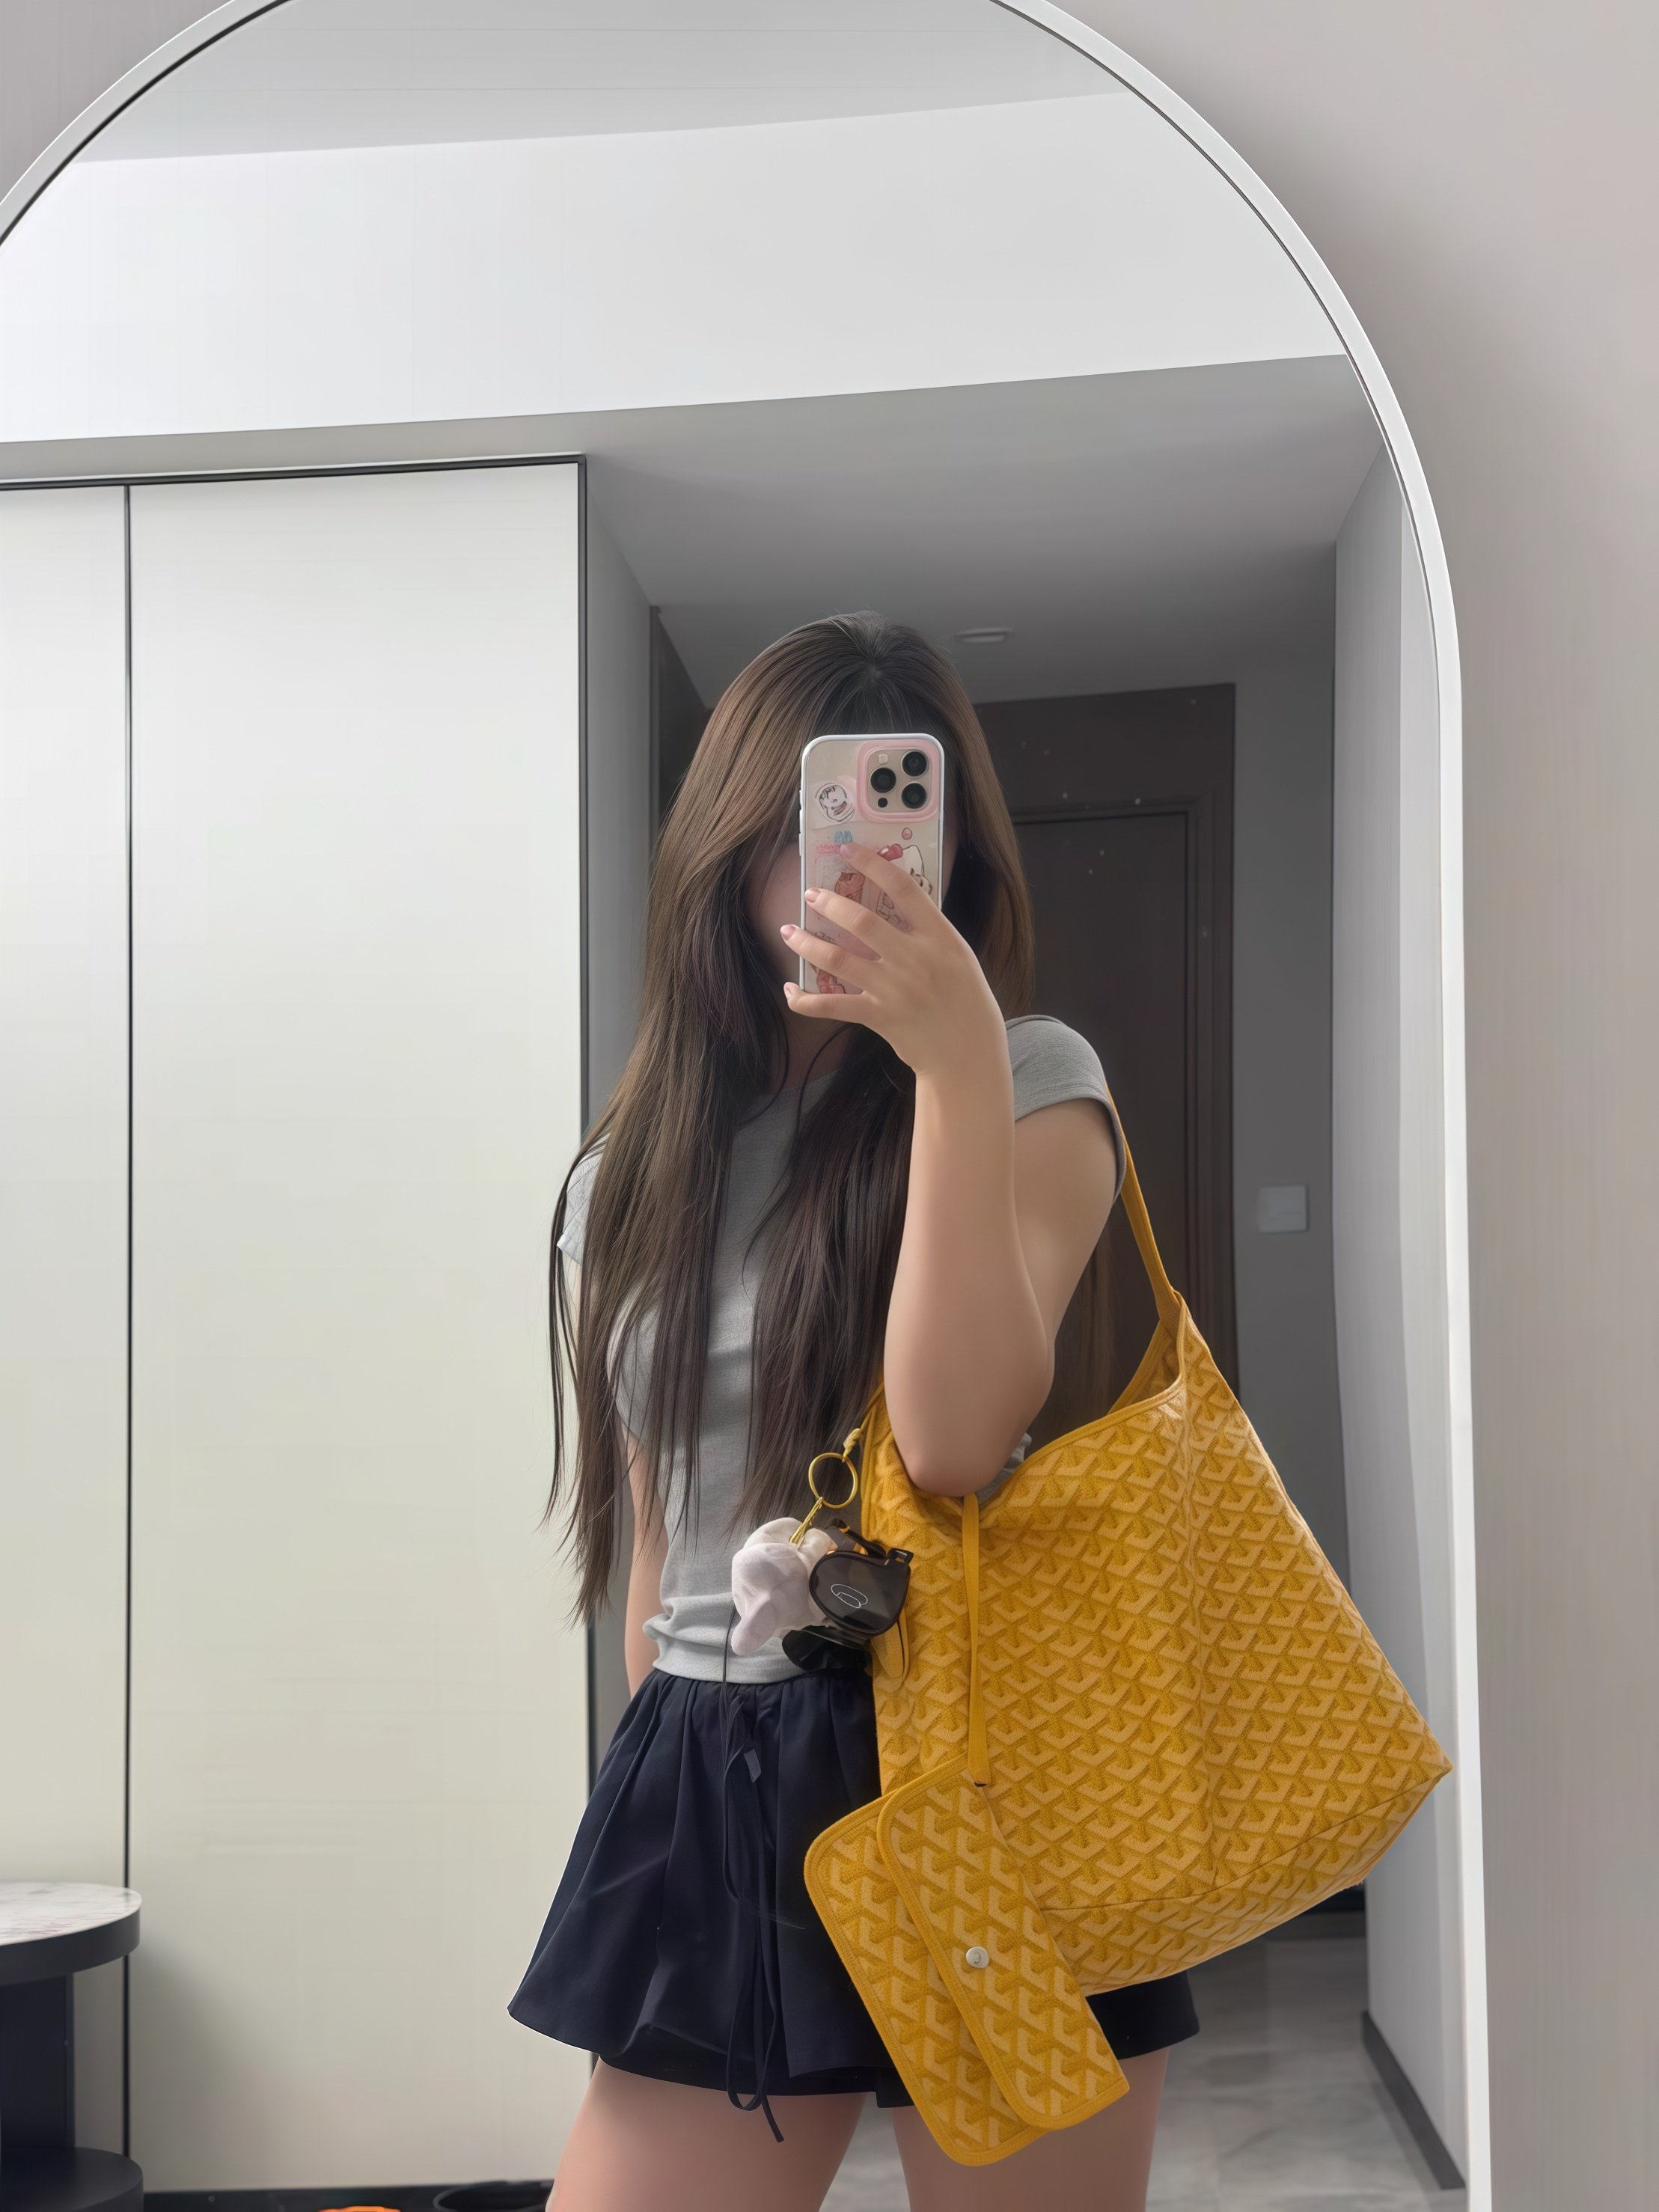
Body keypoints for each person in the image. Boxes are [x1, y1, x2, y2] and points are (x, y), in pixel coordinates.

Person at [509, 614, 1197, 2212]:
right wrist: (642, 1796)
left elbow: (949, 1436)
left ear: (955, 852)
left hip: (986, 1757)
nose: (839, 869)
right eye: (799, 826)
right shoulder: (625, 1176)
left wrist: (949, 1066)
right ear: (723, 849)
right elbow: (660, 1542)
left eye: (896, 822)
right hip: (710, 1758)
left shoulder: (1028, 1078)